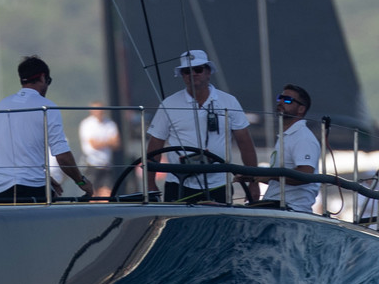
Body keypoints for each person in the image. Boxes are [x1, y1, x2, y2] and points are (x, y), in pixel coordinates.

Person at [145, 49, 259, 204]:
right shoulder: (168, 104)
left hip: (219, 183)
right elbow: (155, 145)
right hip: (178, 183)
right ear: (182, 76)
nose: (192, 74)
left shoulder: (229, 102)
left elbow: (245, 143)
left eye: (197, 70)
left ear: (208, 72)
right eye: (186, 71)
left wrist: (254, 183)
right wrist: (150, 185)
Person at [0, 55, 91, 203]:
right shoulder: (47, 107)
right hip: (32, 189)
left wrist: (45, 177)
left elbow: (13, 151)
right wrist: (82, 182)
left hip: (0, 190)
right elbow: (62, 157)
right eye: (48, 81)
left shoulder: (0, 106)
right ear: (43, 78)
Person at [254, 85, 320, 213]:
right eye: (280, 98)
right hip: (277, 207)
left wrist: (269, 176)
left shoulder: (303, 137)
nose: (281, 102)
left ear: (301, 109)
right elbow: (281, 176)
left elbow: (305, 174)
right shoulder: (287, 136)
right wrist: (252, 177)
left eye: (288, 100)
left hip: (291, 209)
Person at [79, 103, 122, 199]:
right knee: (92, 194)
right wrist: (109, 141)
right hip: (92, 165)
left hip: (106, 165)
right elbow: (93, 144)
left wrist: (101, 142)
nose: (98, 112)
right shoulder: (87, 124)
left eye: (100, 109)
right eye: (96, 109)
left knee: (107, 193)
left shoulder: (110, 124)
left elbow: (117, 144)